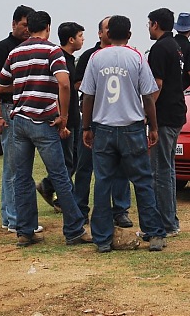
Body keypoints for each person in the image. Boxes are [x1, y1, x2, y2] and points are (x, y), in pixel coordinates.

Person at [0, 10, 92, 247]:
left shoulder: (15, 52)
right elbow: (64, 83)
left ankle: (25, 231)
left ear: (28, 28)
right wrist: (64, 116)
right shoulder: (52, 51)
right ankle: (74, 230)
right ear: (48, 27)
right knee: (60, 176)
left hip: (19, 122)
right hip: (44, 121)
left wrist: (24, 88)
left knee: (22, 177)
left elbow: (0, 85)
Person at [80, 15, 168, 253]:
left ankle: (102, 239)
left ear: (107, 35)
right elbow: (148, 96)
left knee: (103, 183)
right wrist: (154, 127)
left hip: (104, 128)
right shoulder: (137, 57)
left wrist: (86, 127)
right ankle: (155, 234)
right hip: (132, 128)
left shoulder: (96, 58)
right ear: (129, 35)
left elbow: (88, 96)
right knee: (143, 181)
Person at [72, 17, 133, 228]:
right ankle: (80, 210)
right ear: (100, 33)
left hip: (118, 121)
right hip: (95, 118)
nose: (110, 31)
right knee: (84, 166)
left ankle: (120, 210)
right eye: (107, 28)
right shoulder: (91, 56)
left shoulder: (128, 56)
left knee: (120, 168)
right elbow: (80, 84)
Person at [0, 4, 35, 234]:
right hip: (8, 111)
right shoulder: (2, 49)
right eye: (24, 25)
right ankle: (14, 218)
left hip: (25, 111)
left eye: (30, 26)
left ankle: (11, 217)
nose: (27, 30)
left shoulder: (30, 48)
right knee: (13, 166)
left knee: (19, 166)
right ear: (14, 23)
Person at [146, 7, 187, 236]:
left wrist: (148, 114)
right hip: (176, 113)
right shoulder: (175, 45)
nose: (148, 28)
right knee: (168, 170)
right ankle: (170, 220)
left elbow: (157, 85)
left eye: (149, 24)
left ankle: (165, 223)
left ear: (155, 24)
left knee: (159, 171)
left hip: (164, 116)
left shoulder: (160, 48)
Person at [36, 21, 85, 213]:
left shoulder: (71, 59)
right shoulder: (59, 58)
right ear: (71, 39)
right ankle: (54, 192)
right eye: (80, 36)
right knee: (67, 161)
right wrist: (60, 118)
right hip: (65, 118)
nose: (83, 40)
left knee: (73, 159)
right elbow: (57, 90)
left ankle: (53, 190)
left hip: (74, 115)